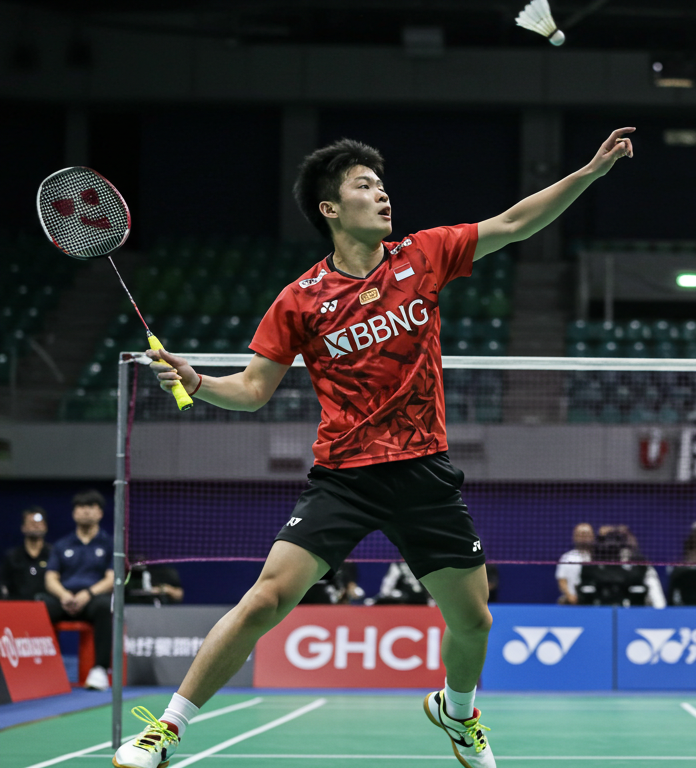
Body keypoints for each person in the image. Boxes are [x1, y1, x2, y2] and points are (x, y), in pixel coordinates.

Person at [119, 127, 636, 768]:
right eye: (365, 186)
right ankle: (166, 729)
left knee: (474, 623)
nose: (383, 195)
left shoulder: (422, 255)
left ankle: (457, 710)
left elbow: (514, 222)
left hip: (423, 470)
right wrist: (198, 383)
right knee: (265, 598)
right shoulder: (300, 301)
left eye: (383, 184)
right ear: (330, 209)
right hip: (345, 475)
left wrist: (587, 173)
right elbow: (253, 389)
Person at [44, 490, 116, 691]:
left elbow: (111, 579)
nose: (85, 511)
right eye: (81, 507)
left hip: (92, 600)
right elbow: (50, 578)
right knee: (42, 607)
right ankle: (47, 669)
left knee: (104, 606)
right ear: (74, 513)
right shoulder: (62, 545)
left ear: (100, 513)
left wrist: (88, 594)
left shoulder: (110, 544)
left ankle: (100, 670)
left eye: (91, 507)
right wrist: (63, 594)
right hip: (64, 599)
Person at [2, 507, 51, 602]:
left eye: (39, 523)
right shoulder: (12, 556)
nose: (35, 526)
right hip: (18, 607)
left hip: (48, 607)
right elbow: (3, 583)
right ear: (23, 527)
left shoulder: (54, 554)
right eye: (31, 523)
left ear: (45, 526)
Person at [556, 522, 595, 605]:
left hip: (595, 600)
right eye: (580, 534)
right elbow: (562, 580)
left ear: (593, 536)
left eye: (587, 534)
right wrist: (570, 595)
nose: (584, 537)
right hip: (572, 600)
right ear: (574, 537)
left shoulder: (599, 557)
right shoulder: (567, 557)